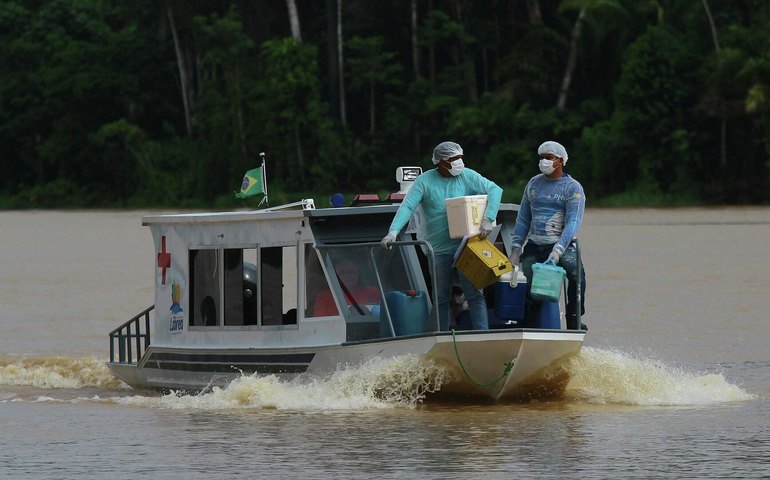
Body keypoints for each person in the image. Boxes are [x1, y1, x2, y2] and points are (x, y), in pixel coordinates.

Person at [380, 141, 502, 331]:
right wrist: (393, 232)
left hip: (467, 245)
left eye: (461, 158)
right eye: (454, 159)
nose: (459, 162)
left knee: (475, 294)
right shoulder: (425, 181)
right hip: (438, 248)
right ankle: (442, 337)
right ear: (442, 162)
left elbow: (495, 190)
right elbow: (408, 206)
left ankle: (482, 335)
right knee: (441, 297)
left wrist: (489, 218)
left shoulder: (467, 176)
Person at [508, 140, 587, 330]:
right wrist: (516, 249)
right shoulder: (533, 184)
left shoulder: (573, 188)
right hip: (535, 246)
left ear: (560, 160)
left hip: (562, 246)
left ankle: (574, 318)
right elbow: (523, 219)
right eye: (541, 158)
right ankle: (529, 327)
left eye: (548, 158)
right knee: (528, 285)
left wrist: (558, 250)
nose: (544, 161)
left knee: (577, 276)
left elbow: (573, 222)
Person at [313, 259, 381, 316]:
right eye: (342, 272)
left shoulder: (372, 292)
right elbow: (321, 322)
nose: (347, 276)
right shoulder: (325, 297)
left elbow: (384, 316)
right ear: (334, 276)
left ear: (358, 274)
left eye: (351, 272)